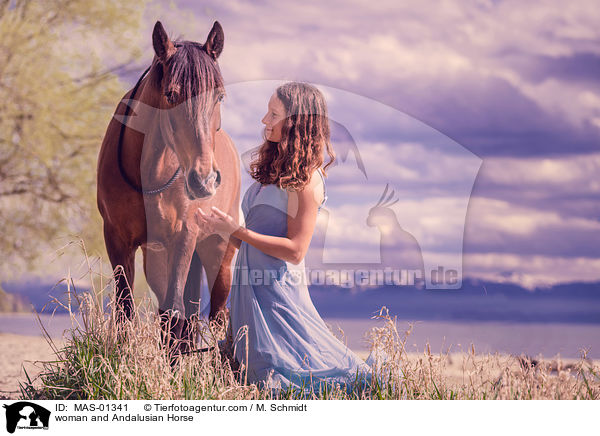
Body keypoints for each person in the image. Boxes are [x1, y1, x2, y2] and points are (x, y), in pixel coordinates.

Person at [195, 82, 384, 395]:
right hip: (250, 292)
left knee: (290, 377)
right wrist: (221, 229)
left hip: (278, 293)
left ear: (295, 122)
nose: (264, 120)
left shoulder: (308, 181)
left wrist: (237, 231)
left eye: (273, 114)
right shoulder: (272, 171)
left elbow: (296, 251)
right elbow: (258, 237)